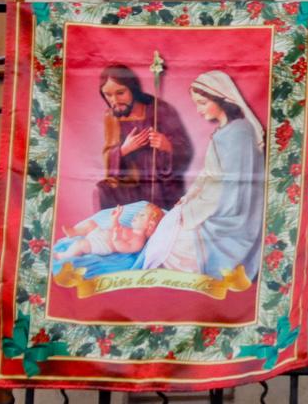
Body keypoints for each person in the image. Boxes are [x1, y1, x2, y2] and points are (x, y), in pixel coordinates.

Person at [135, 70, 268, 286]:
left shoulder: (239, 132)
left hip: (232, 214)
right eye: (196, 103)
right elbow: (208, 174)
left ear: (222, 99)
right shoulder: (223, 132)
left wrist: (195, 209)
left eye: (203, 103)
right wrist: (189, 198)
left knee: (176, 239)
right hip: (215, 202)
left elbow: (233, 186)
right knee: (170, 224)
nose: (198, 109)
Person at [97, 64, 191, 213]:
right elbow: (107, 157)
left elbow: (185, 149)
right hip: (129, 184)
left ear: (133, 89)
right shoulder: (111, 117)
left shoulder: (160, 110)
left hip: (158, 182)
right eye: (108, 95)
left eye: (120, 93)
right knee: (102, 190)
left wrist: (167, 146)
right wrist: (123, 150)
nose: (114, 100)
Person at [52, 201, 163, 280]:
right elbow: (114, 228)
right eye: (138, 213)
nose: (136, 215)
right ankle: (74, 232)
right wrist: (115, 219)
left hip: (104, 245)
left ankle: (64, 255)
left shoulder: (138, 240)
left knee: (81, 244)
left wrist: (117, 240)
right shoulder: (131, 229)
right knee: (91, 224)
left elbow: (125, 249)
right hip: (101, 234)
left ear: (150, 226)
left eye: (142, 215)